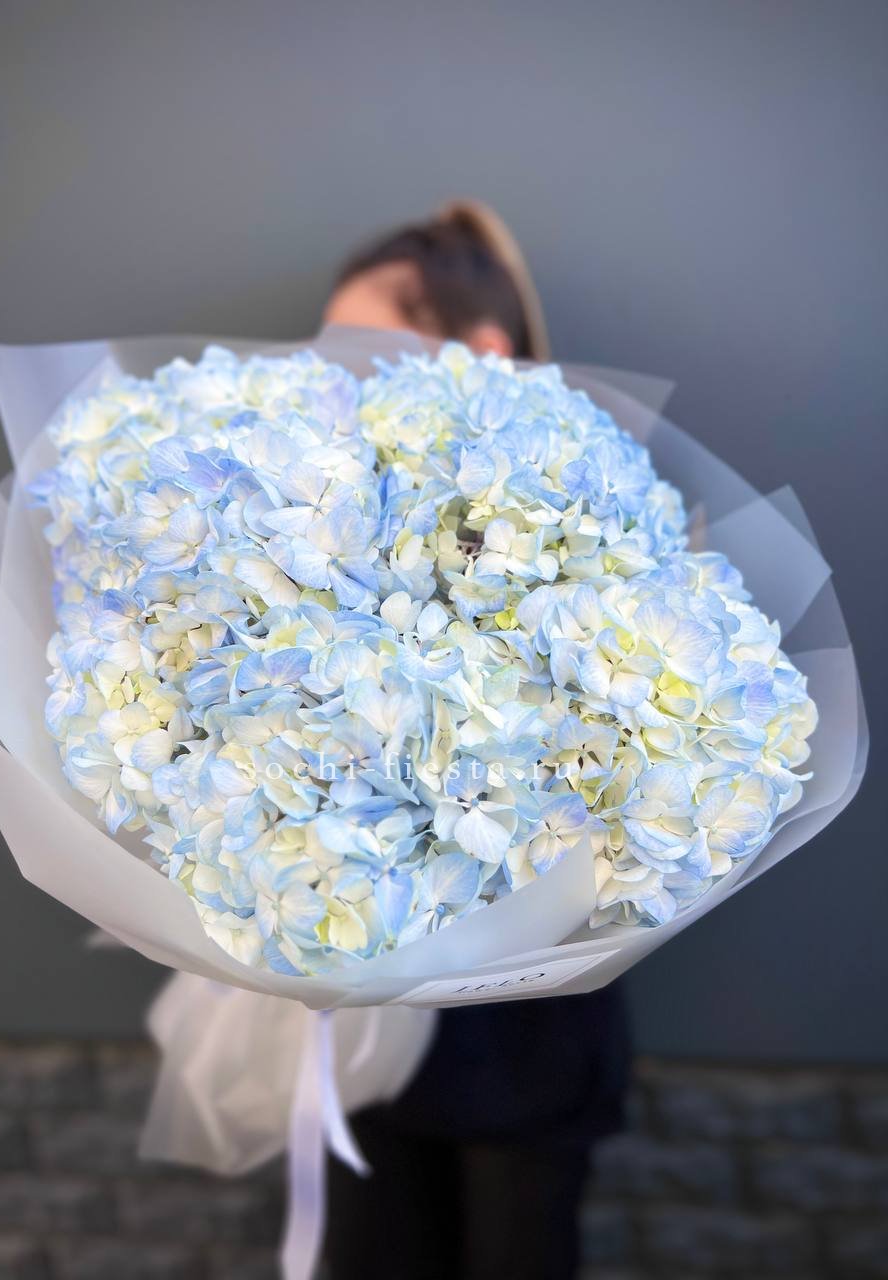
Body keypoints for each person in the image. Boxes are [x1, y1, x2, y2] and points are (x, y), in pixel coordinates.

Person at [321, 201, 631, 1280]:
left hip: (527, 1021)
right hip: (366, 1003)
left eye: (356, 345)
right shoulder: (326, 514)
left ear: (480, 352)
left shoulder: (588, 513)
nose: (328, 370)